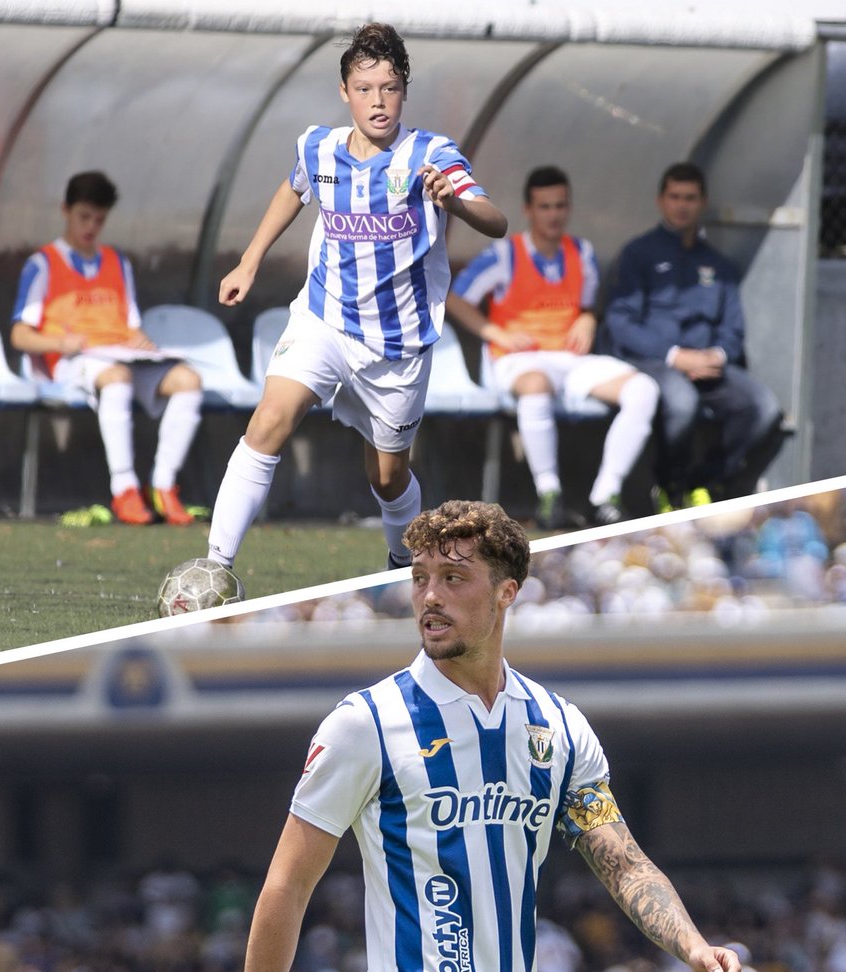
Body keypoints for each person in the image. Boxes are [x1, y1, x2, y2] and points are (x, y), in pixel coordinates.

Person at [234, 498, 743, 972]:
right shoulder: (367, 724)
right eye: (419, 577)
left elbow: (619, 856)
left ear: (508, 592)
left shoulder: (557, 728)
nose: (430, 596)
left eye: (454, 576)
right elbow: (285, 889)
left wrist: (692, 946)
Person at [204, 23, 507, 591]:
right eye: (365, 89)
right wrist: (249, 261)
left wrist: (455, 201)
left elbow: (495, 219)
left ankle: (400, 565)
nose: (378, 101)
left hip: (397, 343)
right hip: (324, 318)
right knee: (269, 419)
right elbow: (294, 189)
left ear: (404, 91)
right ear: (345, 92)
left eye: (389, 88)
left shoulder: (431, 154)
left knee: (388, 477)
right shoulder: (316, 145)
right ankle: (215, 564)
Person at [447, 166, 660, 529]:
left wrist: (589, 318)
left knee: (645, 389)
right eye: (545, 207)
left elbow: (588, 305)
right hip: (520, 361)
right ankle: (549, 495)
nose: (554, 214)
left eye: (560, 206)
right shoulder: (505, 254)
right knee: (537, 385)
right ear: (529, 210)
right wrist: (495, 333)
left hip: (571, 360)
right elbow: (455, 299)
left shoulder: (582, 251)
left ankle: (604, 497)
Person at [10, 171, 204, 526]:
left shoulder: (118, 262)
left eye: (99, 219)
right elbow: (20, 335)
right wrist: (60, 342)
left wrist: (139, 340)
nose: (91, 227)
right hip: (74, 361)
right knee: (115, 377)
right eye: (84, 217)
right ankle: (124, 489)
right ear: (65, 210)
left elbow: (130, 324)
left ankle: (162, 486)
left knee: (188, 380)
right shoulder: (43, 264)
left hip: (121, 356)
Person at [603, 161, 785, 511]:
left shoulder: (719, 266)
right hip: (654, 362)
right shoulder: (638, 254)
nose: (682, 205)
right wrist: (674, 356)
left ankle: (704, 481)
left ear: (702, 203)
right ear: (661, 201)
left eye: (690, 197)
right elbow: (621, 323)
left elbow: (733, 331)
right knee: (682, 401)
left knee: (762, 407)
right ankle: (668, 487)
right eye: (675, 197)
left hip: (707, 365)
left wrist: (716, 356)